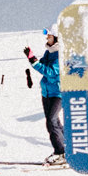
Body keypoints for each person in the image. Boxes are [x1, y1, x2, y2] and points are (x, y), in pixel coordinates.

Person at [30, 32, 67, 164]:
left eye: (49, 36)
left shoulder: (60, 54)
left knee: (51, 121)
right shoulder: (49, 52)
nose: (47, 38)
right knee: (53, 121)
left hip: (58, 92)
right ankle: (66, 149)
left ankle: (60, 152)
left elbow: (51, 72)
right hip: (47, 92)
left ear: (57, 37)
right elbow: (42, 66)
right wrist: (33, 58)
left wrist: (34, 63)